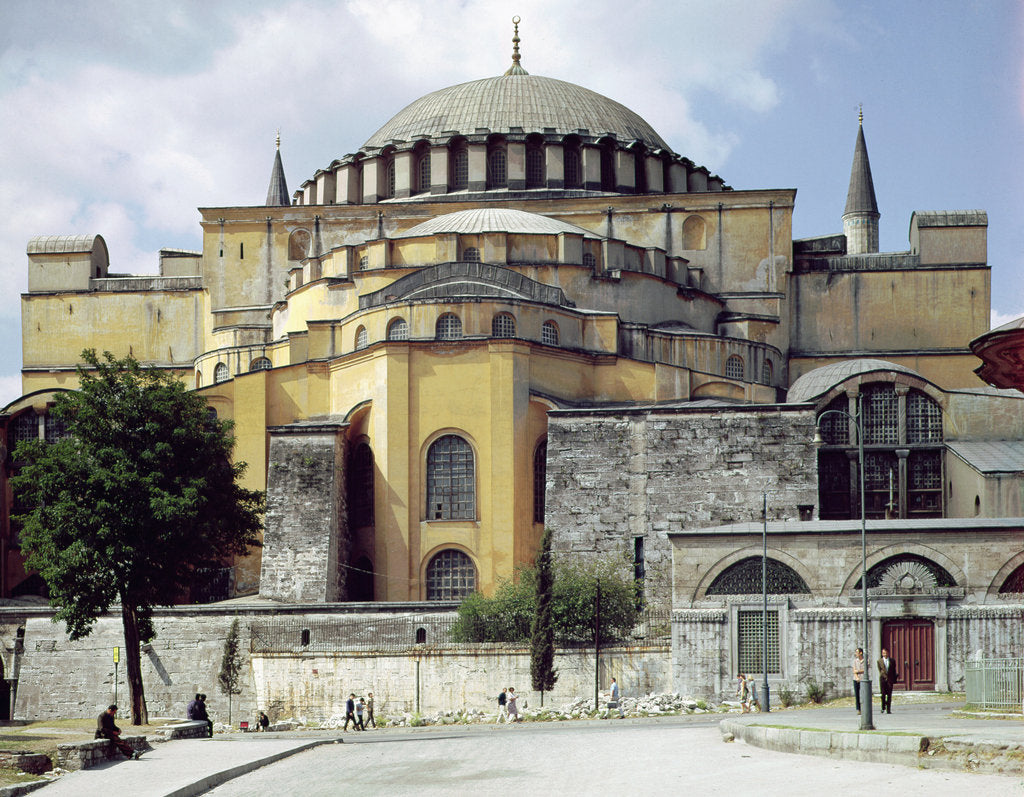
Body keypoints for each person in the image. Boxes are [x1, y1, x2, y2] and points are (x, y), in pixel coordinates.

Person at [877, 647, 898, 714]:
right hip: (883, 679)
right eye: (883, 653)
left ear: (888, 653)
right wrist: (883, 675)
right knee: (883, 694)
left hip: (890, 679)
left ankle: (888, 709)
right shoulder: (879, 661)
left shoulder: (892, 661)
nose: (885, 654)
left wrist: (894, 679)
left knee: (889, 694)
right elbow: (880, 670)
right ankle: (883, 707)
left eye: (886, 653)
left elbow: (893, 670)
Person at [852, 648, 865, 714]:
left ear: (861, 653)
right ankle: (859, 709)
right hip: (856, 679)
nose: (856, 654)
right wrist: (857, 677)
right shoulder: (855, 661)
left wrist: (858, 671)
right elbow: (854, 670)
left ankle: (864, 708)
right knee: (857, 695)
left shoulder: (865, 660)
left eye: (857, 652)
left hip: (863, 679)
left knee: (863, 694)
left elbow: (865, 670)